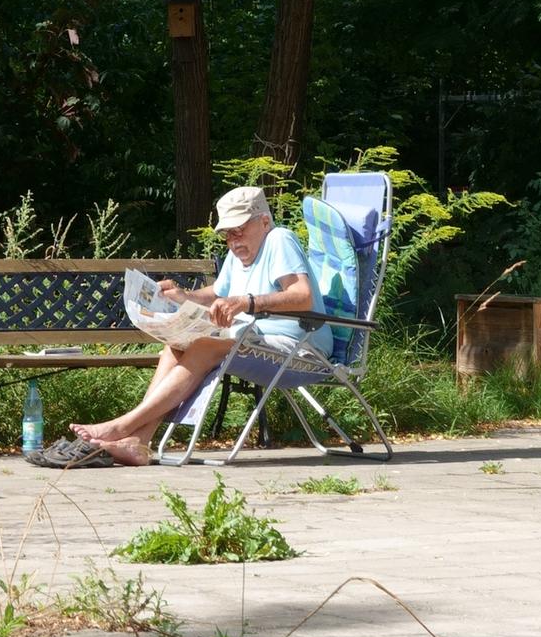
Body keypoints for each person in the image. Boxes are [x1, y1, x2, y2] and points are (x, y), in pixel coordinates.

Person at [36, 185, 331, 467]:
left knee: (204, 347)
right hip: (253, 341)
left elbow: (302, 295)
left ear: (264, 221)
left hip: (299, 350)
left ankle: (121, 427)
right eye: (227, 234)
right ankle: (138, 442)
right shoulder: (238, 253)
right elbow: (217, 293)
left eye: (239, 230)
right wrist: (184, 296)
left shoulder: (279, 239)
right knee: (175, 345)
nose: (233, 240)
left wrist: (247, 302)